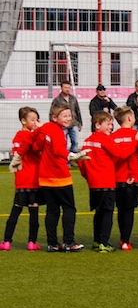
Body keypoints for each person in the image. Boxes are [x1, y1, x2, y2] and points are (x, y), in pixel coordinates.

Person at [31, 103, 90, 252]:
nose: (68, 118)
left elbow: (36, 147)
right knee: (69, 208)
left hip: (45, 177)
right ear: (54, 117)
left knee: (53, 210)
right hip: (59, 176)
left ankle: (52, 243)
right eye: (65, 116)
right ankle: (69, 242)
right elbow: (58, 150)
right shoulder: (56, 131)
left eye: (69, 115)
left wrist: (40, 130)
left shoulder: (46, 129)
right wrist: (72, 155)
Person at [78, 111, 138, 252]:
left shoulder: (87, 140)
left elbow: (82, 162)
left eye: (112, 124)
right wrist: (135, 142)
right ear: (97, 125)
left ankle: (96, 240)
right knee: (107, 212)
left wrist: (88, 176)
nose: (111, 127)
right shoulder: (104, 139)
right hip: (106, 181)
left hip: (93, 184)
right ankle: (104, 242)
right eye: (108, 124)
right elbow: (121, 154)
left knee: (99, 212)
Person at [2, 107, 43, 252]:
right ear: (23, 121)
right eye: (33, 120)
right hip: (32, 179)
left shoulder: (16, 137)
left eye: (37, 119)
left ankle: (7, 241)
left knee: (15, 211)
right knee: (33, 212)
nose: (36, 122)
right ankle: (32, 242)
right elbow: (37, 151)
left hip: (20, 181)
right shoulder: (29, 137)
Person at [111, 106, 138, 251]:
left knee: (121, 209)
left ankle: (123, 238)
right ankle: (126, 241)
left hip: (116, 177)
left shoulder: (113, 136)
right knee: (129, 210)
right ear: (129, 118)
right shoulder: (136, 135)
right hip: (131, 177)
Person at [51, 80, 82, 153]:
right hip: (62, 125)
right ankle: (65, 158)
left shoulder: (73, 99)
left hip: (73, 123)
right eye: (65, 87)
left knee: (75, 142)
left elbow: (78, 111)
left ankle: (73, 157)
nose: (67, 89)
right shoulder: (57, 100)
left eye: (68, 88)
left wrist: (80, 123)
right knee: (63, 142)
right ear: (61, 88)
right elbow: (52, 113)